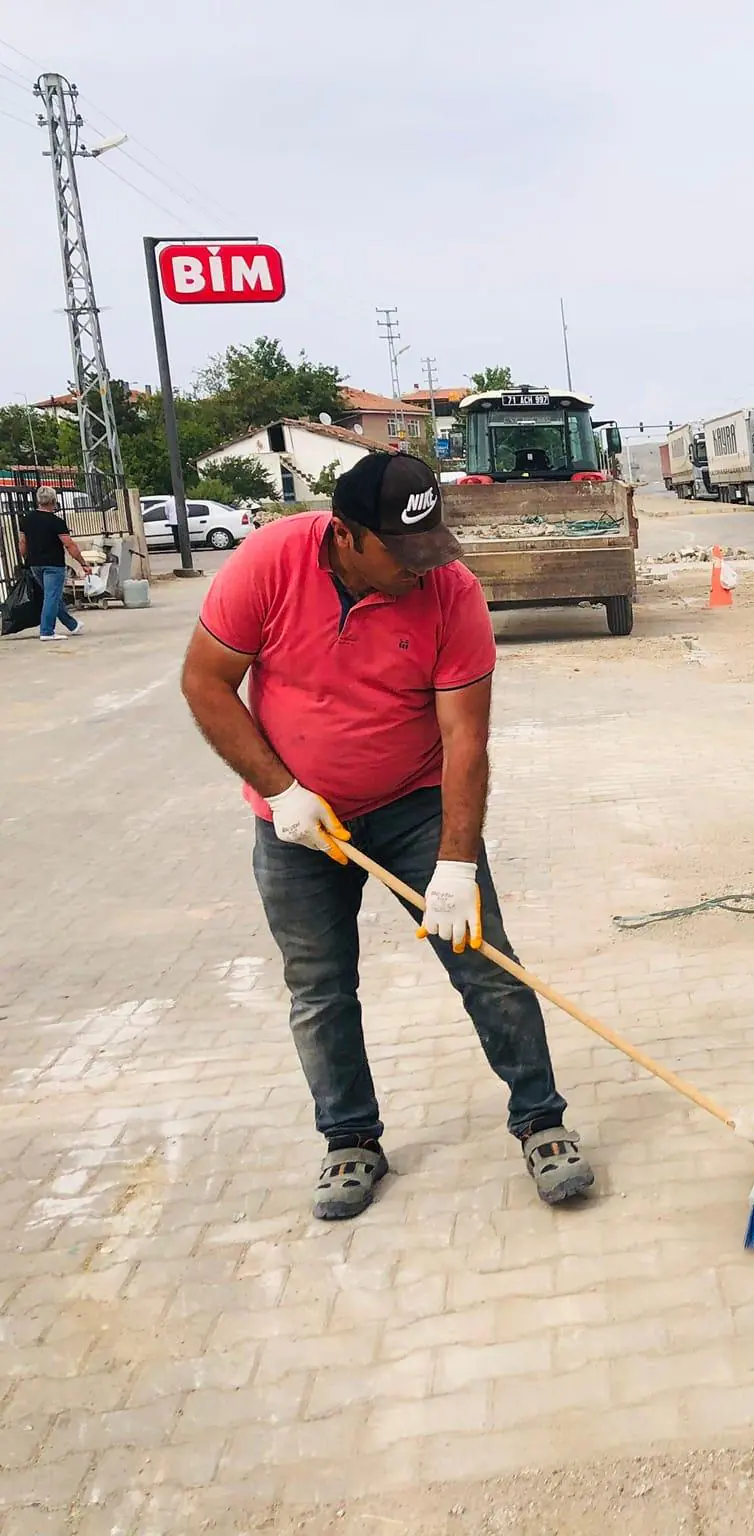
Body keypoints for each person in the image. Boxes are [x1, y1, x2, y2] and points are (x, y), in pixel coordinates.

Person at [179, 452, 593, 1221]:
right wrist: (283, 793)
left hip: (414, 805)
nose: (421, 568)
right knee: (320, 987)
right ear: (344, 535)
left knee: (486, 962)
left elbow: (465, 737)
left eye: (430, 543)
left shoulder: (450, 592)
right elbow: (204, 679)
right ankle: (350, 1139)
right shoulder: (269, 564)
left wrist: (456, 863)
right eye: (403, 553)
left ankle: (542, 1121)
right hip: (297, 822)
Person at [18, 487, 86, 642]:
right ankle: (47, 631)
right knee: (51, 596)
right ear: (54, 501)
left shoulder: (26, 520)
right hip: (53, 565)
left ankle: (72, 624)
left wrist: (25, 559)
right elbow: (70, 545)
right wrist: (82, 563)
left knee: (52, 596)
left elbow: (22, 542)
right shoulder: (57, 522)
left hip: (35, 564)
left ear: (38, 500)